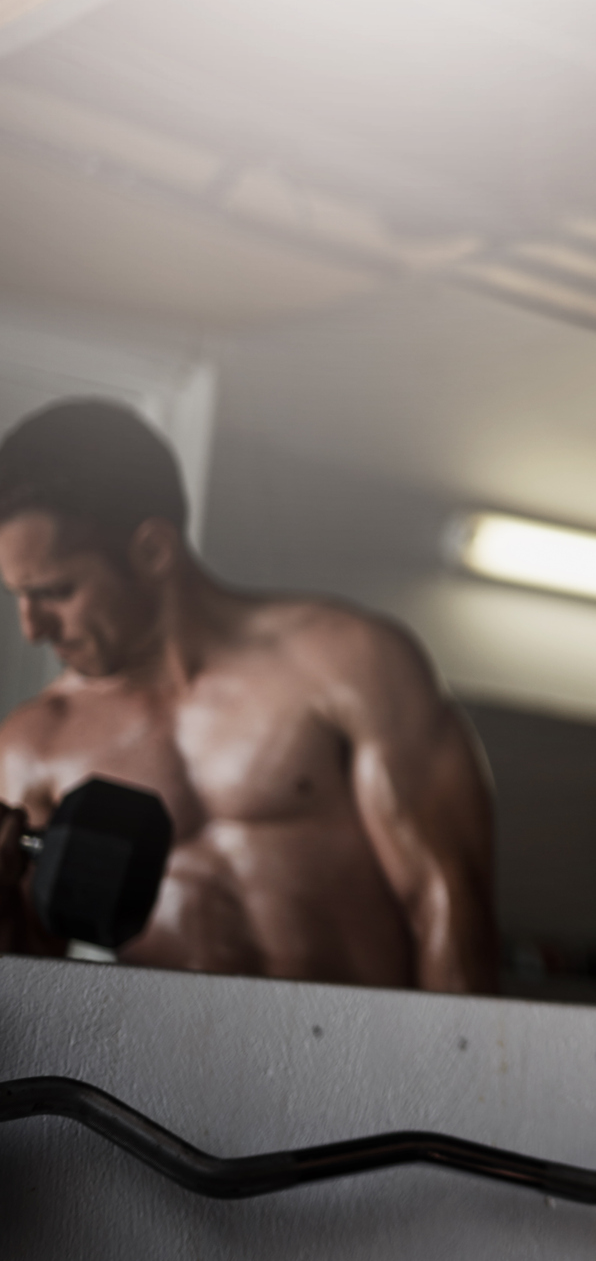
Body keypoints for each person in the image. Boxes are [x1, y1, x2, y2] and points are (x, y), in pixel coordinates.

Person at [0, 399, 497, 993]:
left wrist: (444, 1082)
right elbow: (27, 982)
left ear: (153, 551)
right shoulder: (33, 745)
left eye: (55, 591)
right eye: (18, 596)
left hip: (360, 1062)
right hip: (163, 1077)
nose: (32, 628)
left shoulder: (343, 661)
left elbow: (446, 901)